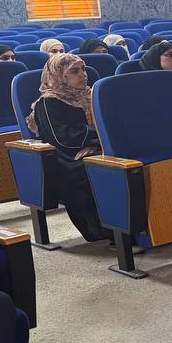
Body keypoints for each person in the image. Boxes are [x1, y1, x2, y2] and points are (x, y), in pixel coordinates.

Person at [25, 53, 108, 243]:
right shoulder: (48, 103)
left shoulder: (90, 94)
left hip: (94, 148)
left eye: (83, 69)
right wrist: (96, 135)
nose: (83, 74)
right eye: (75, 71)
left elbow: (110, 124)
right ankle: (107, 229)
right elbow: (62, 138)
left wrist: (95, 144)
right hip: (66, 157)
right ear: (60, 75)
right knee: (98, 168)